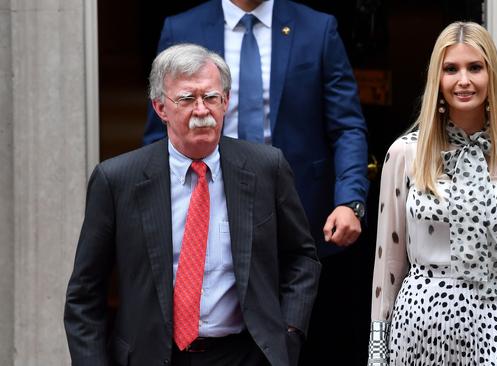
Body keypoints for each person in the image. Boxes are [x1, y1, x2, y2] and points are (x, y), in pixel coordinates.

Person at [142, 1, 370, 364]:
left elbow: (347, 126)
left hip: (299, 216)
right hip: (206, 209)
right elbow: (160, 133)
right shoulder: (181, 28)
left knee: (308, 339)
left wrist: (349, 199)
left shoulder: (318, 28)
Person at [64, 43, 320, 366]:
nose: (202, 110)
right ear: (160, 107)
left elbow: (302, 258)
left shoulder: (266, 168)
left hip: (245, 354)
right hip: (154, 356)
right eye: (187, 99)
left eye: (211, 98)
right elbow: (84, 297)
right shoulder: (116, 180)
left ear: (225, 102)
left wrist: (288, 333)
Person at [366, 22, 497, 365]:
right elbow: (387, 263)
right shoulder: (405, 155)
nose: (463, 80)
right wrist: (377, 348)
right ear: (438, 80)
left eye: (475, 67)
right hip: (423, 320)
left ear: (491, 76)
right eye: (451, 69)